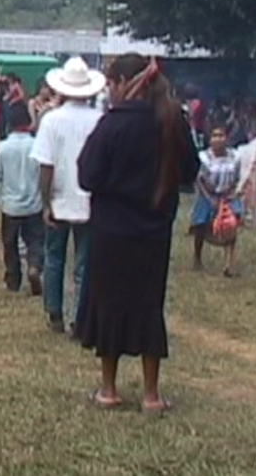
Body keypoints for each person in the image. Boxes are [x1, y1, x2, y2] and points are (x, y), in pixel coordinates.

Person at [74, 54, 199, 413]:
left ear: (124, 82)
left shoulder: (113, 124)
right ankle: (151, 395)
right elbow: (190, 170)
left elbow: (87, 176)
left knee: (109, 305)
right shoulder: (173, 123)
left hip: (111, 231)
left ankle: (109, 389)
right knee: (148, 306)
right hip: (154, 231)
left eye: (111, 83)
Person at [30, 57, 104, 335]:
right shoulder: (99, 120)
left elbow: (45, 165)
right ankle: (79, 318)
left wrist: (45, 202)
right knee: (84, 264)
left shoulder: (51, 120)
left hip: (60, 199)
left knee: (54, 257)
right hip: (89, 200)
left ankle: (54, 313)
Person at [0, 102, 45, 295]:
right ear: (29, 123)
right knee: (35, 240)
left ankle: (13, 280)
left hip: (11, 206)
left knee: (10, 243)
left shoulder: (2, 148)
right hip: (34, 204)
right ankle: (35, 266)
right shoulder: (37, 145)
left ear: (9, 124)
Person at [190, 126, 245, 276]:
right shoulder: (203, 157)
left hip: (227, 195)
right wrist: (209, 198)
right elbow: (199, 180)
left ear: (227, 138)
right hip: (208, 194)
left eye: (221, 135)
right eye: (215, 135)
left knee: (231, 225)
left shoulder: (235, 156)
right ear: (210, 139)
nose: (218, 139)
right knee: (200, 225)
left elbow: (236, 178)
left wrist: (231, 194)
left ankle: (228, 264)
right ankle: (197, 257)